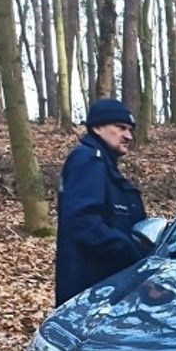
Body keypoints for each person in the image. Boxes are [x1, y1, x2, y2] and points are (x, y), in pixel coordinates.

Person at [55, 98, 147, 305]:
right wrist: (133, 253)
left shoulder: (103, 163)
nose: (128, 136)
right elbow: (83, 222)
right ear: (97, 128)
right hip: (92, 289)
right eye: (120, 128)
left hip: (107, 285)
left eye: (130, 129)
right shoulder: (88, 161)